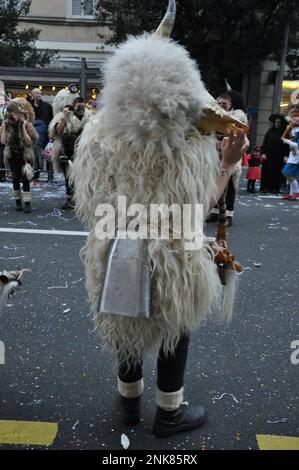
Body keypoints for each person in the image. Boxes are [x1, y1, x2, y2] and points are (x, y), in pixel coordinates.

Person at [72, 0, 248, 437]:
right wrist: (226, 165)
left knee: (121, 316)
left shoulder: (99, 132)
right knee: (175, 319)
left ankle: (129, 402)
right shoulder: (188, 142)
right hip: (173, 248)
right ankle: (169, 411)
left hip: (114, 243)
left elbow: (89, 200)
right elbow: (199, 206)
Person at [206, 90, 248, 226]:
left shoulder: (238, 117)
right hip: (215, 156)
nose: (221, 105)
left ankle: (228, 214)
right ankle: (215, 211)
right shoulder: (212, 115)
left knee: (229, 186)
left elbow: (237, 135)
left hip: (230, 156)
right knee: (215, 184)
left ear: (230, 105)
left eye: (224, 103)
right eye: (219, 102)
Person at [49, 92, 92, 210]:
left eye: (83, 107)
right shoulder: (64, 116)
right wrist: (64, 117)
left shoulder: (89, 117)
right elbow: (57, 132)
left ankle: (82, 200)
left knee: (83, 177)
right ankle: (69, 200)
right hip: (67, 151)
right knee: (68, 178)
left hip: (83, 151)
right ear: (74, 107)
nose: (81, 109)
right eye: (79, 107)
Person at [0, 99, 38, 212]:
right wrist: (4, 126)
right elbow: (3, 141)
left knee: (25, 179)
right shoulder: (7, 125)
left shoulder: (27, 125)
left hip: (25, 156)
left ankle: (27, 203)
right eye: (11, 113)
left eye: (15, 113)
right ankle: (18, 202)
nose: (12, 116)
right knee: (15, 179)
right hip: (12, 155)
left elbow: (30, 142)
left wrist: (23, 127)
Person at [260, 114, 289, 194]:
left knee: (277, 172)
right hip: (269, 155)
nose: (277, 123)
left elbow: (287, 145)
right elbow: (265, 143)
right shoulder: (269, 132)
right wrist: (263, 153)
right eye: (276, 122)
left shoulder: (285, 133)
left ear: (281, 123)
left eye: (278, 122)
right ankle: (266, 187)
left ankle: (275, 188)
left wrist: (286, 155)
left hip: (280, 156)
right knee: (268, 170)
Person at [29, 88, 53, 182]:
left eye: (40, 93)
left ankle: (50, 174)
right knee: (35, 155)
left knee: (48, 154)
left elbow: (51, 119)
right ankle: (36, 173)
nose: (39, 94)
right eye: (37, 93)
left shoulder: (47, 106)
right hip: (33, 134)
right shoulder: (29, 106)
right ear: (32, 95)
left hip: (46, 134)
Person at [281, 111, 299, 200]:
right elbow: (288, 140)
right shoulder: (294, 129)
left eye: (296, 117)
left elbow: (296, 144)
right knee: (291, 174)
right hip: (293, 153)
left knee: (286, 172)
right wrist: (288, 129)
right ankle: (292, 194)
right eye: (293, 117)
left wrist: (287, 141)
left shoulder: (298, 130)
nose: (294, 118)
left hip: (297, 154)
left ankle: (297, 191)